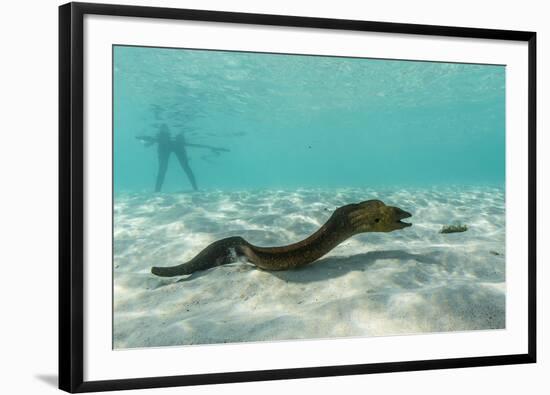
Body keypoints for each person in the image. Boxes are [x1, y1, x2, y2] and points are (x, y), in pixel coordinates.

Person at [137, 123, 229, 192]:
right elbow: (147, 143)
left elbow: (147, 143)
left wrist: (148, 141)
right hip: (167, 143)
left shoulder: (168, 134)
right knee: (164, 169)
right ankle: (157, 191)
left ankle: (195, 189)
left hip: (174, 143)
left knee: (184, 167)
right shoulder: (162, 135)